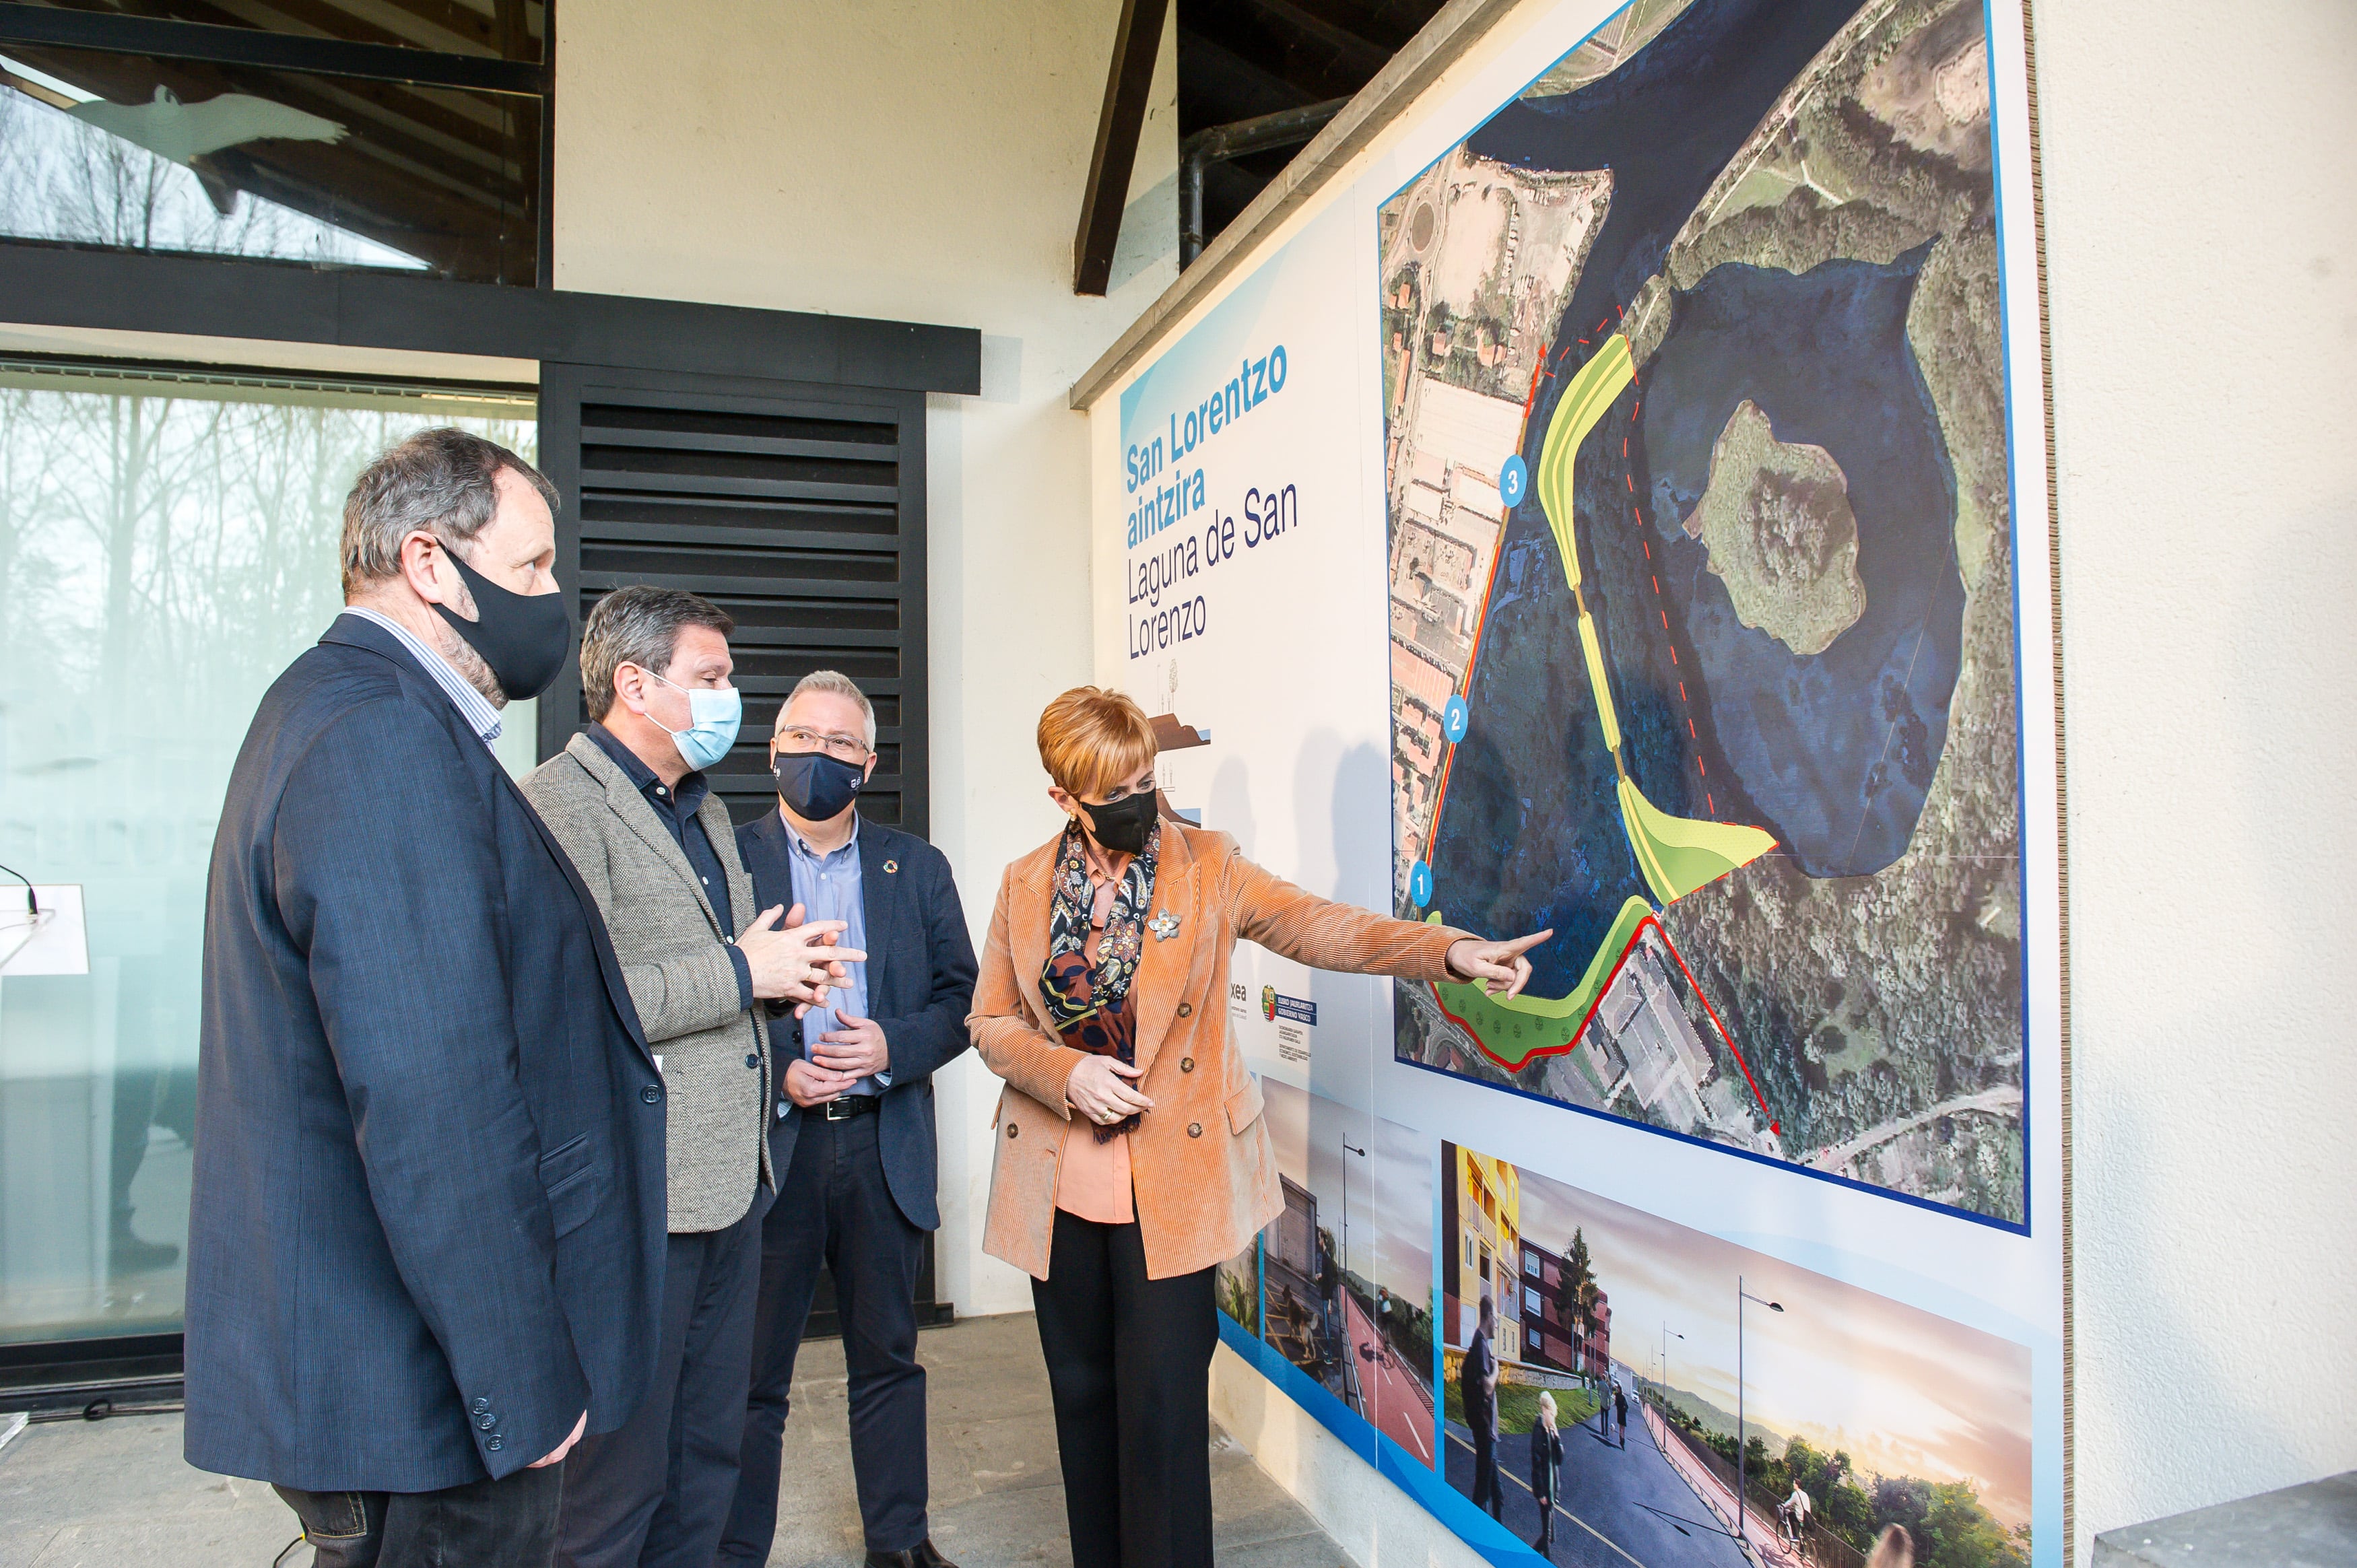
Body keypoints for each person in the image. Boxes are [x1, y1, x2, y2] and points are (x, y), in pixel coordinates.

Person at [185, 429, 666, 1566]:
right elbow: (432, 1097)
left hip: (399, 1379)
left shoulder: (341, 708)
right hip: (425, 1401)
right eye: (535, 563)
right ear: (432, 563)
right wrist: (524, 1381)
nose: (556, 596)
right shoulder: (382, 738)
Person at [968, 687, 1550, 1568]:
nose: (1139, 801)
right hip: (1059, 1191)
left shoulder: (1209, 865)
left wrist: (1447, 953)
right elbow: (990, 1023)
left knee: (1162, 1418)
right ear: (1064, 799)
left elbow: (1323, 928)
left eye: (1145, 778)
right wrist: (1067, 1073)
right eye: (1114, 790)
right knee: (1083, 1401)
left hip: (1172, 1187)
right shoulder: (1024, 885)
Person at [521, 586, 853, 1568]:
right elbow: (574, 994)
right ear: (635, 683)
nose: (731, 697)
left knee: (708, 1458)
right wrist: (745, 972)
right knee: (615, 1488)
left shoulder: (702, 815)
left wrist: (783, 978)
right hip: (636, 1204)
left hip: (733, 1188)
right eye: (710, 679)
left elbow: (723, 974)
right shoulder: (557, 806)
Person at [721, 671, 979, 1568]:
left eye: (837, 744)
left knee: (888, 1359)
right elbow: (708, 1002)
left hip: (879, 1144)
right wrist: (776, 1071)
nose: (815, 757)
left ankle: (900, 1546)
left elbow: (963, 1003)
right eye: (800, 737)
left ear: (867, 763)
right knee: (752, 1380)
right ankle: (733, 1549)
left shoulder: (919, 867)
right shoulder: (721, 856)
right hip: (770, 1154)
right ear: (772, 748)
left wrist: (892, 1047)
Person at [1464, 1296, 1504, 1520]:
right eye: (1497, 1320)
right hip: (1485, 1431)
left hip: (1489, 1433)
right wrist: (1497, 1369)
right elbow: (1487, 1386)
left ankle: (1496, 1534)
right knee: (1483, 1494)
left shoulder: (1481, 1345)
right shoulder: (1480, 1344)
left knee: (1497, 1494)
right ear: (1489, 1317)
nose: (1497, 1325)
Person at [1530, 1389, 1564, 1558]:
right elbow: (1536, 1463)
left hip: (1552, 1488)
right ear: (1545, 1410)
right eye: (1551, 1413)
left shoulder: (1551, 1430)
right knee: (1548, 1535)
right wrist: (1540, 1492)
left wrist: (1557, 1437)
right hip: (1545, 1490)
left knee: (1550, 1537)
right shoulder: (1539, 1430)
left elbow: (1559, 1460)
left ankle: (1529, 1556)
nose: (1552, 1417)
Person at [1614, 1377, 1629, 1448]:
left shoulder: (1618, 1396)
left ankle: (1621, 1439)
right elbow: (1626, 1406)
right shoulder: (1622, 1397)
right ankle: (1622, 1439)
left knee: (1621, 1427)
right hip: (1623, 1413)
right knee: (1623, 1427)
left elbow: (1616, 1404)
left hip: (1620, 1413)